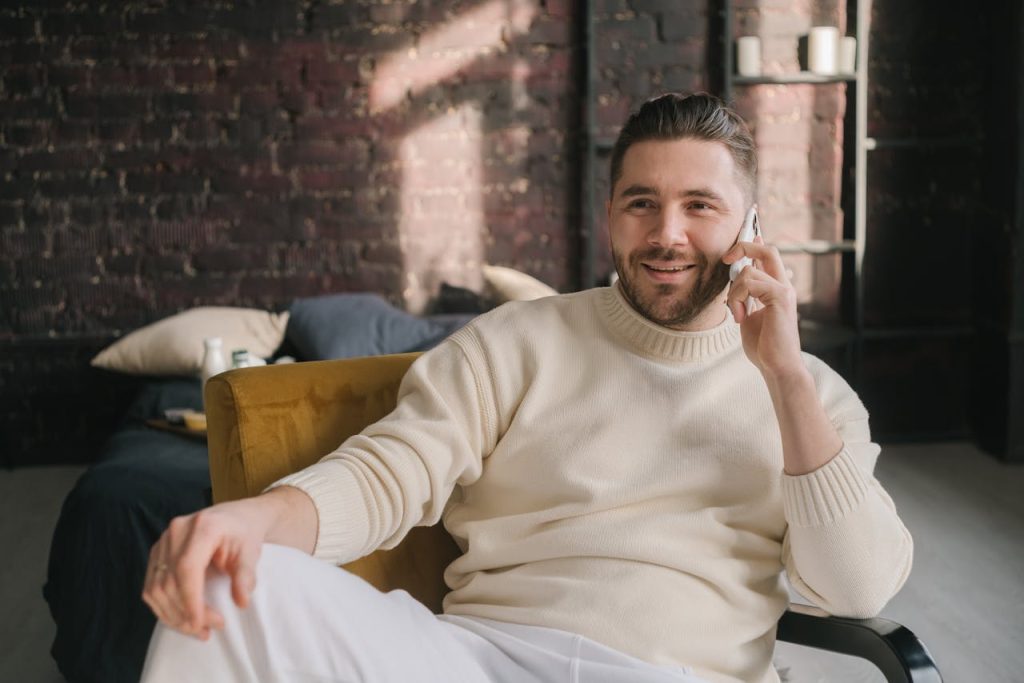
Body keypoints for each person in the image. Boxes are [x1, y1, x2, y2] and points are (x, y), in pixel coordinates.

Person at [140, 92, 913, 683]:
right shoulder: (516, 338)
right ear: (610, 214)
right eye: (642, 202)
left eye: (700, 206)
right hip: (480, 660)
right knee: (229, 580)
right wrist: (255, 515)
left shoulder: (813, 394)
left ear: (750, 222)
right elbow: (386, 475)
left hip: (672, 673)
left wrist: (782, 375)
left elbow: (855, 587)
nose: (666, 233)